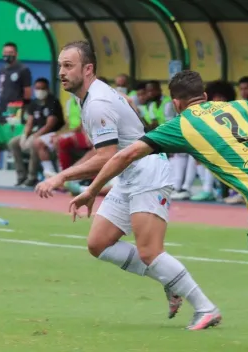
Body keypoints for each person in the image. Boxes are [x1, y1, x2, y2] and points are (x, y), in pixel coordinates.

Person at [70, 70, 248, 350]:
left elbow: (127, 153)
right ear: (204, 96)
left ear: (176, 103)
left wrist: (92, 190)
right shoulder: (237, 106)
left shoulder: (181, 124)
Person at [36, 41, 220, 330]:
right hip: (127, 174)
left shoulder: (97, 103)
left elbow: (106, 157)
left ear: (88, 69)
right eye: (60, 65)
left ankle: (206, 308)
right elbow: (109, 146)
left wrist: (63, 177)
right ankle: (168, 279)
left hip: (147, 174)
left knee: (150, 252)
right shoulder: (91, 96)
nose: (61, 72)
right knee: (98, 244)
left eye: (68, 66)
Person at [8, 78, 65, 187]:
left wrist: (35, 136)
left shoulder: (53, 101)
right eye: (37, 88)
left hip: (50, 134)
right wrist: (25, 135)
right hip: (35, 133)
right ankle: (21, 175)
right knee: (13, 143)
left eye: (42, 88)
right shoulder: (34, 103)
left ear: (47, 89)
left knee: (35, 143)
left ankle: (32, 177)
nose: (39, 91)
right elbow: (29, 122)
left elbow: (50, 124)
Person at [0, 42, 32, 171]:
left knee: (12, 140)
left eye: (10, 53)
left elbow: (28, 93)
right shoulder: (2, 69)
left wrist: (23, 109)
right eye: (5, 53)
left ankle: (18, 170)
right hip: (1, 108)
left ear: (16, 54)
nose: (7, 56)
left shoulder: (23, 70)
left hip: (15, 109)